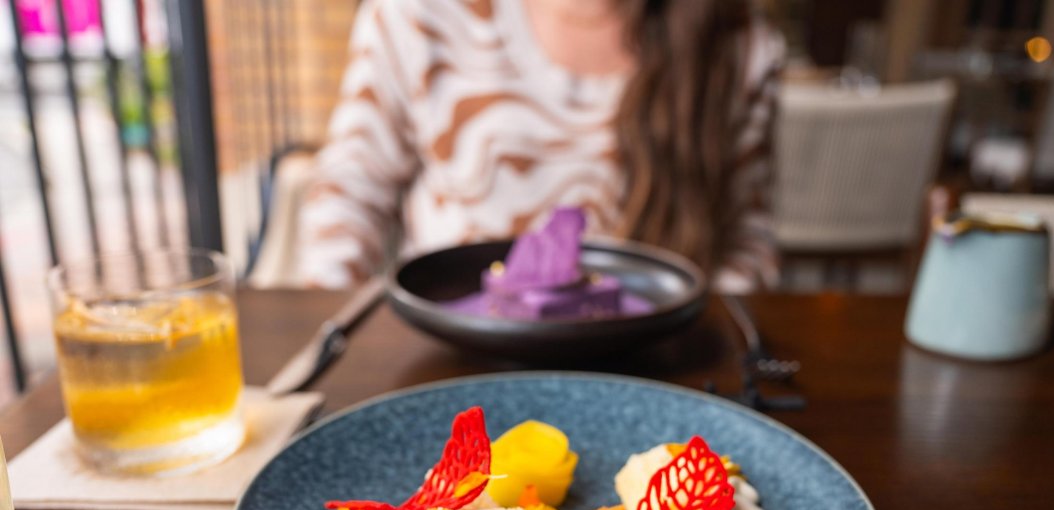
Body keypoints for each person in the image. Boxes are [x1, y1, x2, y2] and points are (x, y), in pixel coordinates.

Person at [298, 0, 784, 292]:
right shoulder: (420, 13)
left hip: (651, 363)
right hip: (448, 353)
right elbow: (351, 185)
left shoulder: (738, 46)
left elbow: (746, 240)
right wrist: (327, 317)